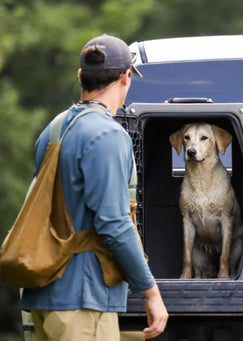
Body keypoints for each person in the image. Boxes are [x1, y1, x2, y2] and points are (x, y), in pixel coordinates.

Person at [20, 34, 168, 340]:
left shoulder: (55, 128)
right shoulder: (107, 134)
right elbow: (113, 223)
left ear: (80, 76)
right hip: (83, 299)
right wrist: (150, 290)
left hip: (44, 297)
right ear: (127, 77)